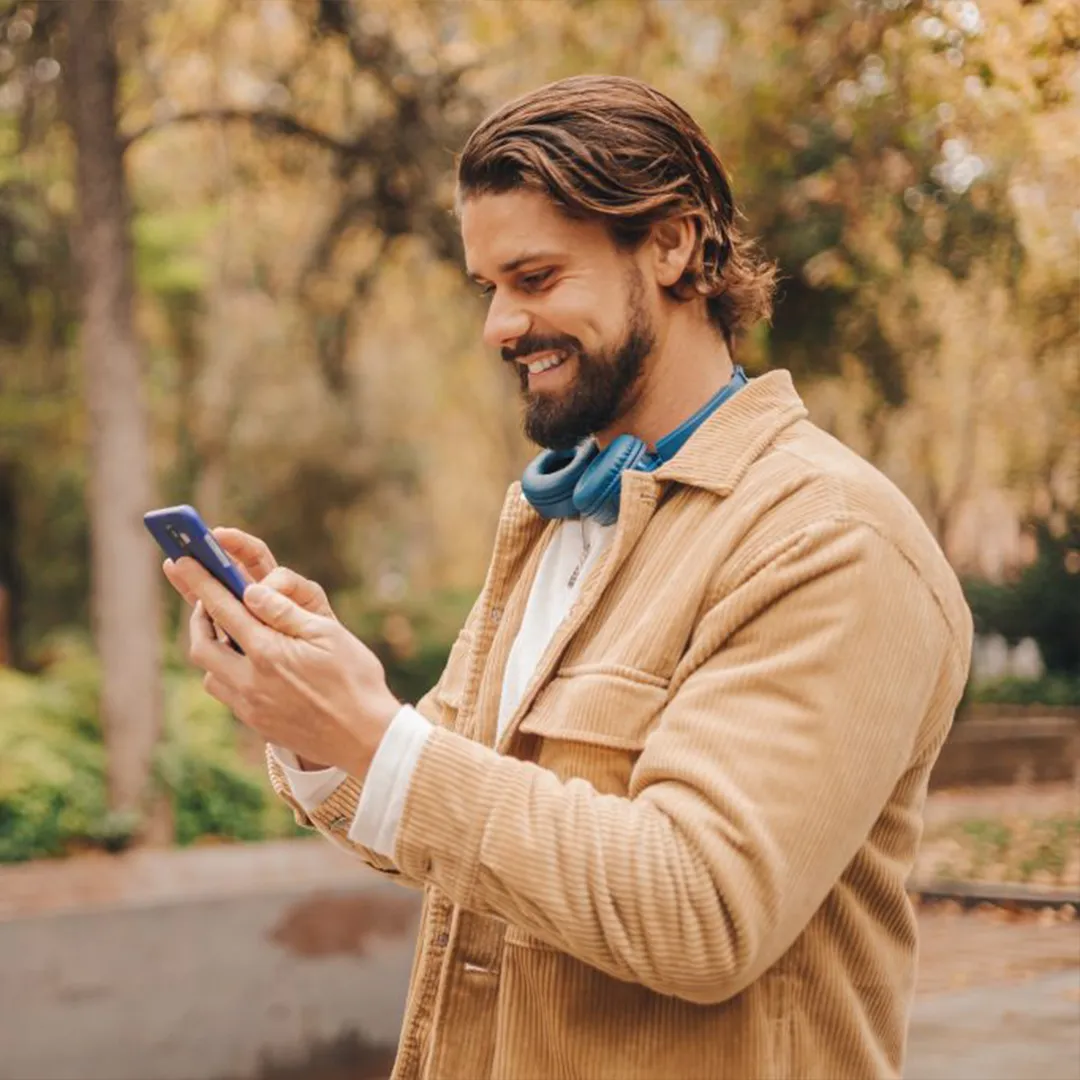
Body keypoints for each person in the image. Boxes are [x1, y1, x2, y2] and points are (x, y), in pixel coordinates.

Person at [165, 75, 973, 1080]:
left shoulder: (828, 540)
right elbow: (441, 824)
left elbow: (702, 912)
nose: (501, 326)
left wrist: (376, 730)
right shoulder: (556, 519)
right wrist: (316, 719)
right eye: (488, 289)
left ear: (674, 245)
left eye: (537, 278)